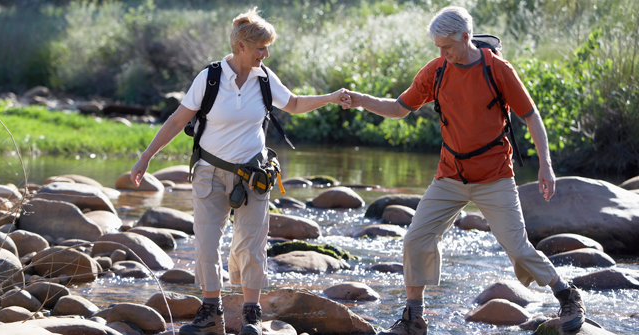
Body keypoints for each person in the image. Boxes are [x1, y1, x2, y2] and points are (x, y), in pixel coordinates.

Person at [345, 6, 586, 335]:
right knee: (416, 240)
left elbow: (531, 115)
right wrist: (361, 99)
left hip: (495, 176)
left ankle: (567, 294)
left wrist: (546, 164)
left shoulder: (497, 69)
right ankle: (414, 318)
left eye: (447, 47)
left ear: (466, 37)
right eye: (438, 48)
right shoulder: (437, 70)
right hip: (450, 176)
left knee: (517, 247)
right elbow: (399, 108)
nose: (442, 53)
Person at [130, 7, 350, 335]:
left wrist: (331, 97)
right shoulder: (210, 78)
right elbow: (178, 120)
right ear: (240, 47)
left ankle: (251, 316)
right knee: (206, 243)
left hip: (253, 176)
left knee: (250, 244)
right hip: (208, 172)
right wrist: (146, 157)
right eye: (260, 47)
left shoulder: (265, 79)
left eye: (267, 46)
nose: (266, 53)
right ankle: (210, 314)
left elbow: (295, 104)